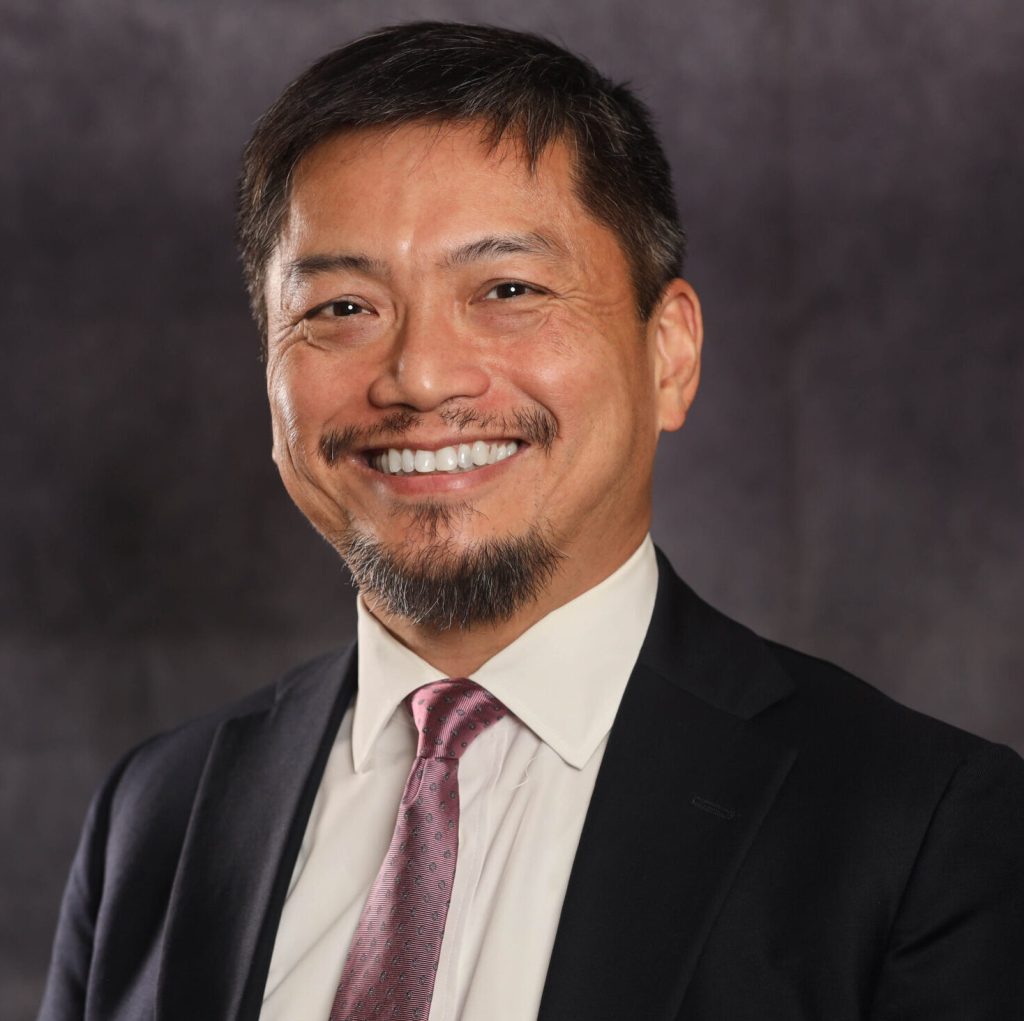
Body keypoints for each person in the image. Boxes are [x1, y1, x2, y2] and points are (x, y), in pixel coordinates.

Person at [39, 21, 1024, 1021]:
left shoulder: (922, 831)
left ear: (670, 354)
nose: (420, 377)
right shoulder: (156, 815)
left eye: (507, 289)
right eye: (341, 308)